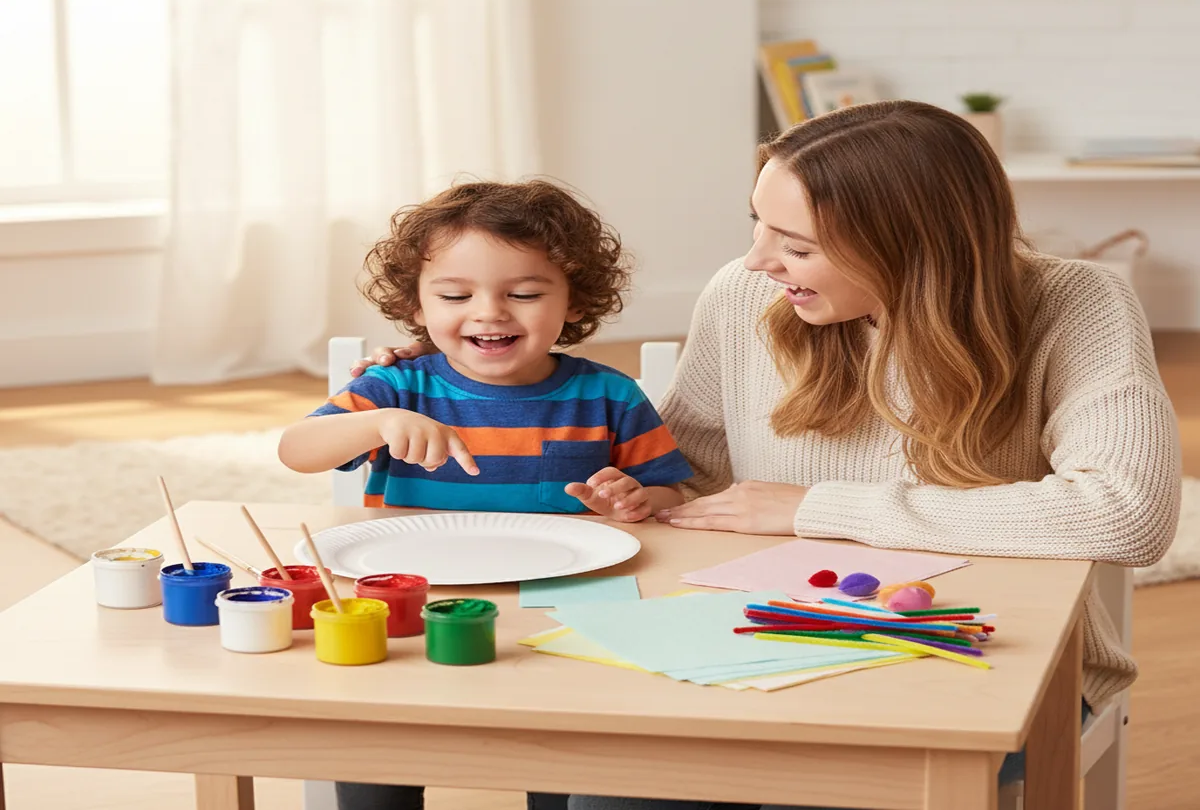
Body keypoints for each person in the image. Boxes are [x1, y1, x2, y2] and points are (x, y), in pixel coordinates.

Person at [354, 101, 1181, 808]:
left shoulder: (1075, 302)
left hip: (973, 656)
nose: (757, 259)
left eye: (797, 242)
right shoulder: (749, 295)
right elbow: (693, 479)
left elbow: (1127, 511)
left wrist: (815, 508)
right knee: (612, 789)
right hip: (750, 638)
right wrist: (636, 495)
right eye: (759, 223)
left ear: (905, 245)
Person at [279, 179, 692, 810]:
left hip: (558, 611)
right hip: (412, 604)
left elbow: (670, 493)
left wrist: (637, 501)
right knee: (377, 741)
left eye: (523, 293)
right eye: (454, 294)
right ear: (416, 306)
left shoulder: (609, 396)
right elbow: (296, 450)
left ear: (574, 301)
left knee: (561, 747)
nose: (490, 312)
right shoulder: (396, 386)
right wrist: (375, 423)